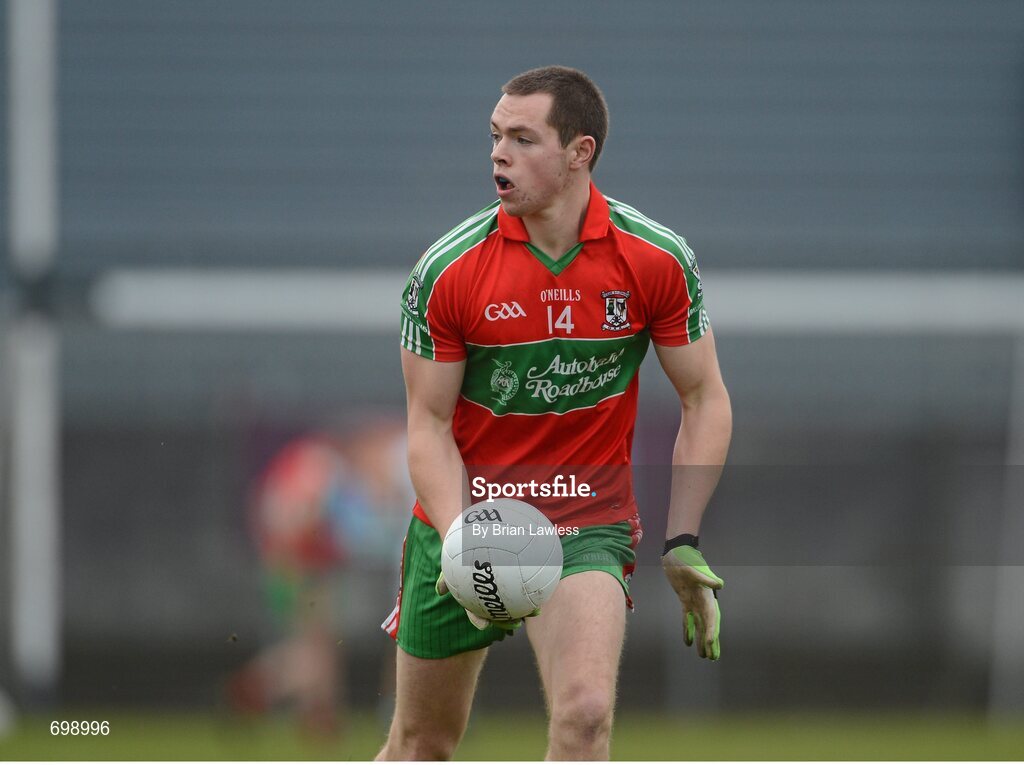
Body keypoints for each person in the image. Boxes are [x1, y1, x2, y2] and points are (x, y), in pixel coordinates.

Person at [378, 65, 732, 760]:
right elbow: (427, 426)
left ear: (579, 152)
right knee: (423, 744)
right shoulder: (448, 269)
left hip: (585, 519)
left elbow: (705, 397)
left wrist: (682, 537)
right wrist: (461, 541)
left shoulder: (655, 259)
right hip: (465, 515)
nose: (498, 155)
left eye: (522, 138)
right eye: (494, 136)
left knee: (587, 715)